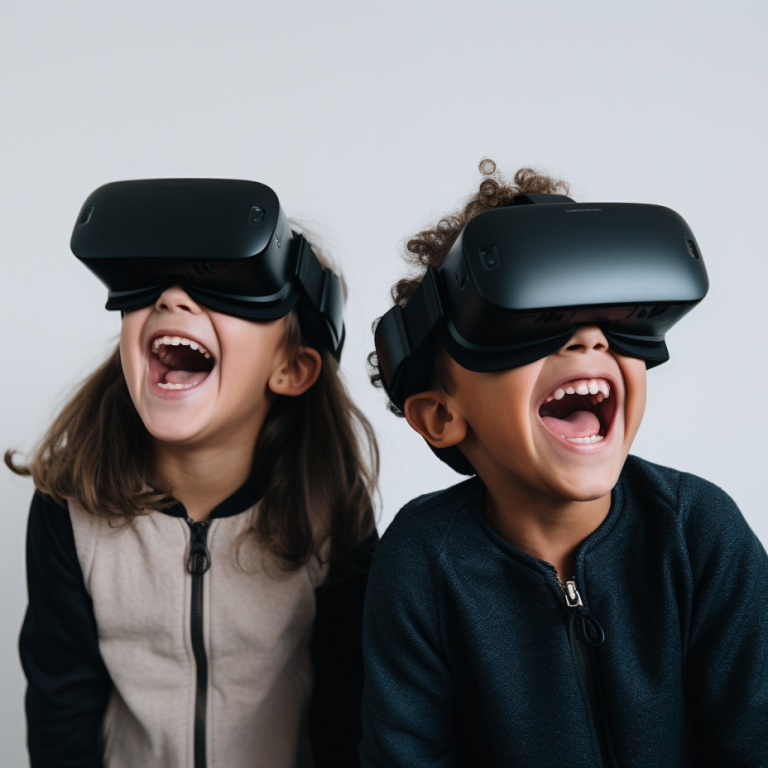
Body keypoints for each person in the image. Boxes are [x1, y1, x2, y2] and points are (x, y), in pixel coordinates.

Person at [361, 160, 768, 767]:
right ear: (442, 415)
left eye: (611, 320)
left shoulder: (697, 531)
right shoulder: (423, 561)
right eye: (533, 323)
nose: (589, 340)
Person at [7, 179, 378, 768]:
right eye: (154, 283)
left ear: (292, 368)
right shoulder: (68, 512)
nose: (173, 299)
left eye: (223, 287)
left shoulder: (330, 512)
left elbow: (347, 711)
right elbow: (61, 711)